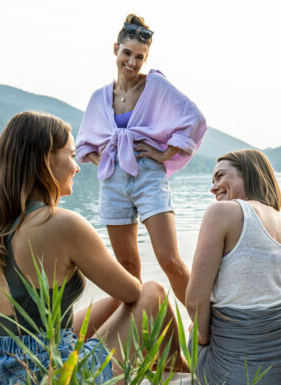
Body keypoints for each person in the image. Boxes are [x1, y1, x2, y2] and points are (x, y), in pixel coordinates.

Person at [0, 110, 187, 385]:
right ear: (46, 161)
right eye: (72, 155)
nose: (78, 166)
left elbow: (11, 324)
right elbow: (132, 291)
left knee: (116, 305)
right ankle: (182, 373)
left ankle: (177, 370)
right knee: (153, 293)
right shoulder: (61, 224)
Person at [76, 13, 206, 308]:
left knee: (170, 260)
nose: (132, 63)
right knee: (126, 269)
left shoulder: (155, 86)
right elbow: (83, 141)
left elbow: (193, 117)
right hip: (112, 183)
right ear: (115, 50)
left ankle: (203, 336)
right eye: (127, 54)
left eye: (140, 57)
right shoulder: (99, 98)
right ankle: (137, 345)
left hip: (148, 176)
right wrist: (105, 162)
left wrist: (165, 153)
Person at [185, 149, 281, 385]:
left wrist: (203, 341)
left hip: (230, 377)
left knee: (194, 327)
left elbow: (194, 301)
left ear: (249, 174)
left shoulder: (221, 213)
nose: (213, 188)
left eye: (220, 176)